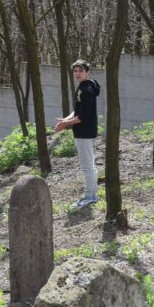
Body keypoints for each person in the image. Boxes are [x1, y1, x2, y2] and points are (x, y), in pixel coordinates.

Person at [54, 60, 101, 207]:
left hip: (84, 132)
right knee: (90, 165)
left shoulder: (87, 89)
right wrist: (66, 119)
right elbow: (78, 110)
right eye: (75, 71)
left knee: (87, 166)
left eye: (81, 71)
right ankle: (92, 194)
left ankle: (89, 197)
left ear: (87, 72)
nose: (77, 73)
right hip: (86, 131)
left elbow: (82, 117)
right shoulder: (85, 86)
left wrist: (64, 124)